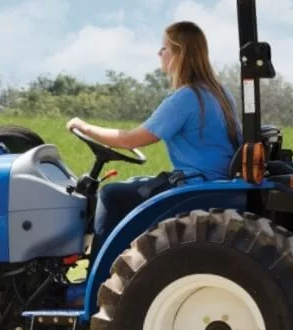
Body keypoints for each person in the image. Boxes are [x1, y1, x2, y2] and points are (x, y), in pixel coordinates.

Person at [66, 20, 239, 242]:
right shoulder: (221, 93)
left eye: (164, 47)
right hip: (215, 184)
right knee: (136, 185)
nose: (159, 53)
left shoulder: (186, 97)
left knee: (111, 194)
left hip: (195, 186)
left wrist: (85, 127)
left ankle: (101, 273)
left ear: (179, 54)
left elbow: (130, 139)